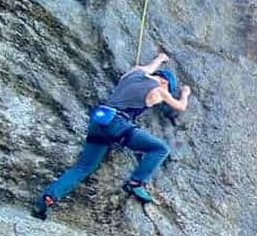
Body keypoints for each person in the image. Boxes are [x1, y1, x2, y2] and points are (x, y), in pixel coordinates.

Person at [32, 52, 191, 220]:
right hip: (117, 124)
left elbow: (148, 68)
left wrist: (160, 59)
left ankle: (47, 199)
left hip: (99, 121)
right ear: (164, 82)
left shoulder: (133, 74)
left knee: (83, 167)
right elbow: (180, 106)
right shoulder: (160, 90)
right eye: (169, 88)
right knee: (160, 149)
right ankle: (136, 183)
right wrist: (185, 94)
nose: (168, 92)